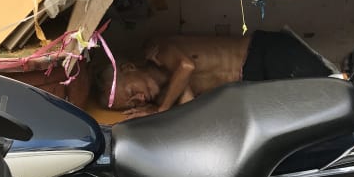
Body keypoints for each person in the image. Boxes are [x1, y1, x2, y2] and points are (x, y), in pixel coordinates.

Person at [98, 30, 335, 118]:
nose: (139, 99)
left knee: (330, 91)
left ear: (129, 68)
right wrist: (162, 108)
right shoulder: (170, 93)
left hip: (262, 53)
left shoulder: (156, 48)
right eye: (131, 103)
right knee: (315, 110)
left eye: (131, 91)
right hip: (254, 82)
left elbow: (186, 67)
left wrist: (162, 109)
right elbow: (191, 108)